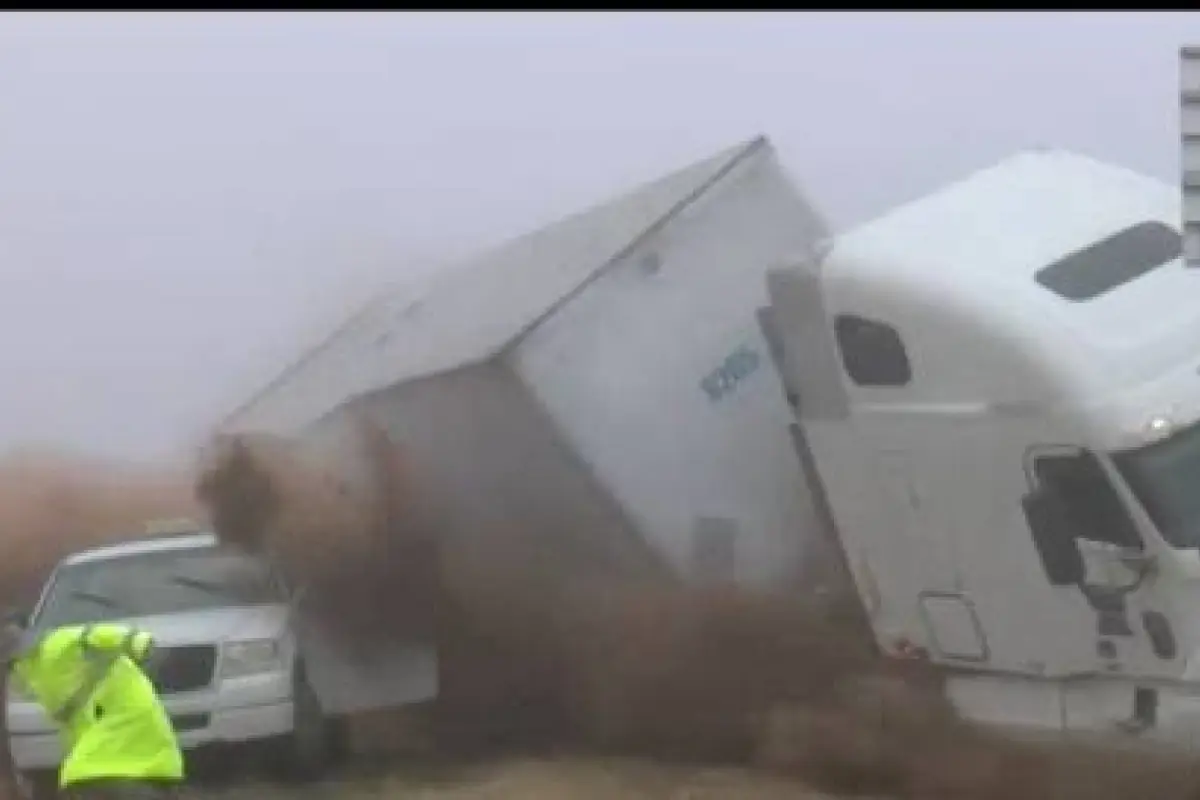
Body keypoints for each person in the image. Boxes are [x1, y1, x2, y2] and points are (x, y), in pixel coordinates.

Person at [0, 617, 184, 800]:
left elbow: (93, 635)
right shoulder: (31, 671)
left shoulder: (57, 643)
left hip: (123, 715)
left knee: (83, 775)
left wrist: (136, 641)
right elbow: (74, 722)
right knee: (86, 774)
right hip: (119, 728)